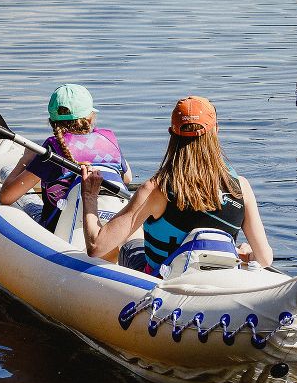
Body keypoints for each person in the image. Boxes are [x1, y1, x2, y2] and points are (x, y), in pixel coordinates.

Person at [81, 95, 273, 274]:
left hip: (163, 283)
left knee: (130, 239)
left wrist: (89, 196)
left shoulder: (156, 189)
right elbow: (264, 258)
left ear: (172, 133)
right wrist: (246, 255)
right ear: (216, 130)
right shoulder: (240, 187)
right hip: (220, 280)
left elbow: (97, 247)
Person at [0, 83, 131, 231]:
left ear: (52, 121)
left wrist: (25, 160)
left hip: (57, 230)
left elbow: (6, 197)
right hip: (107, 223)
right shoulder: (108, 140)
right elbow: (127, 179)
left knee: (5, 170)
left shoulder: (52, 150)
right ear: (90, 117)